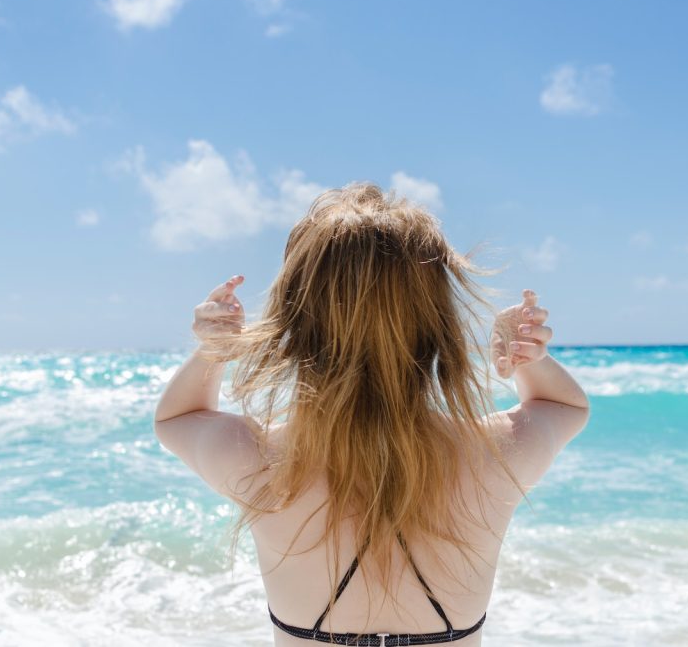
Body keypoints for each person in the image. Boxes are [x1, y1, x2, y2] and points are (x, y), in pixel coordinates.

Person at [154, 183, 590, 646]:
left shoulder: (261, 463)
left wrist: (214, 351)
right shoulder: (490, 459)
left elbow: (177, 419)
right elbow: (563, 407)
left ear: (292, 323)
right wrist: (526, 358)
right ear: (439, 327)